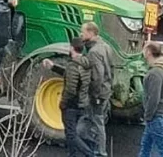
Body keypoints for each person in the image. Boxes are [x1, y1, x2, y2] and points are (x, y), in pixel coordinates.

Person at [42, 39, 94, 156]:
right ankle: (72, 155)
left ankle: (90, 154)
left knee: (71, 134)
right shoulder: (85, 63)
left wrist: (63, 103)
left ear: (71, 48)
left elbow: (70, 89)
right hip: (82, 103)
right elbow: (71, 75)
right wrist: (53, 67)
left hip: (71, 105)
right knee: (73, 133)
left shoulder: (73, 65)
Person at [81, 20, 113, 157]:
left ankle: (100, 152)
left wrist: (94, 95)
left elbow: (97, 77)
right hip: (106, 90)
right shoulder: (106, 46)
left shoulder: (93, 52)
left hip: (99, 93)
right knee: (97, 121)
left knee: (97, 122)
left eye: (82, 32)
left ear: (90, 33)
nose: (80, 34)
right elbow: (111, 68)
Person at [138, 42, 163, 157]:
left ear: (148, 52)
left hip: (157, 115)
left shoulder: (155, 73)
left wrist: (147, 116)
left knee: (162, 148)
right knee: (146, 144)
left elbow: (154, 98)